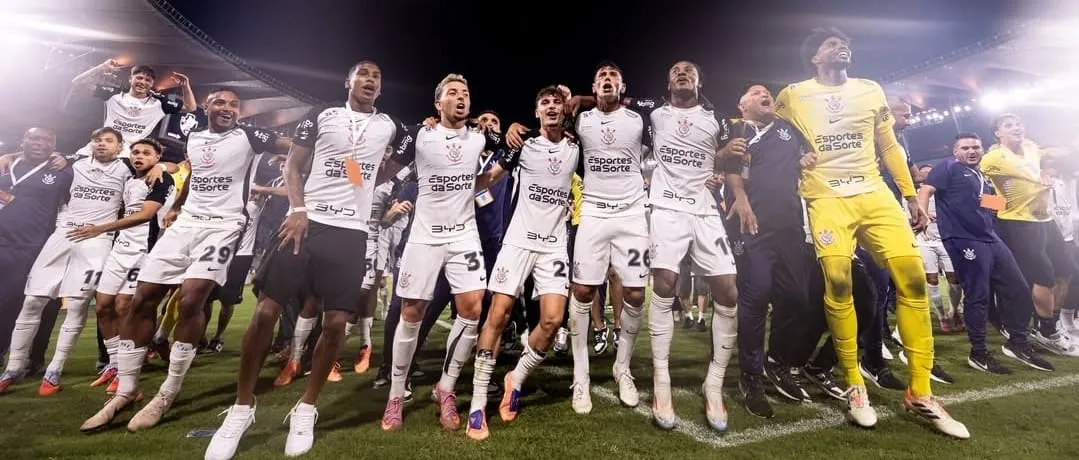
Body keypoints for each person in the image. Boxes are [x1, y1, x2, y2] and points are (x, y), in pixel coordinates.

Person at [203, 61, 407, 459]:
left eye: (377, 77)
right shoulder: (322, 114)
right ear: (348, 81)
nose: (370, 80)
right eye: (363, 74)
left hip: (351, 232)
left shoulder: (390, 127)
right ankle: (242, 409)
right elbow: (295, 164)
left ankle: (306, 407)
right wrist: (298, 209)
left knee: (336, 325)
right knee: (265, 312)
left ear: (381, 88)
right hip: (308, 221)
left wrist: (363, 183)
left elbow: (385, 170)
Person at [776, 27, 967, 437]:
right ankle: (854, 383)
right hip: (826, 198)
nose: (841, 46)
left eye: (844, 42)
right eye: (830, 44)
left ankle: (921, 391)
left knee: (913, 280)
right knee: (840, 282)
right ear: (815, 58)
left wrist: (911, 195)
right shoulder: (793, 94)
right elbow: (777, 140)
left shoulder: (870, 89)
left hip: (874, 194)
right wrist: (794, 159)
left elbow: (889, 145)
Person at [80, 88, 290, 433]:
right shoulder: (194, 137)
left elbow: (294, 147)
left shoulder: (250, 135)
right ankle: (129, 389)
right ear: (207, 107)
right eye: (220, 102)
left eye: (234, 105)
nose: (228, 108)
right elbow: (194, 174)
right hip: (186, 222)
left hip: (224, 226)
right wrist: (178, 203)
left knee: (193, 298)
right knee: (142, 298)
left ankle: (168, 391)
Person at [507, 62, 650, 413]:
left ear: (622, 85)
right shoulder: (580, 119)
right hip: (594, 213)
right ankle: (581, 379)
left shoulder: (639, 118)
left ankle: (622, 369)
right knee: (584, 290)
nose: (607, 80)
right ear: (593, 84)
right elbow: (544, 128)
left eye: (613, 77)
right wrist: (513, 127)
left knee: (634, 292)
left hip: (633, 214)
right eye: (601, 76)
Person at [380, 73, 502, 432]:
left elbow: (511, 147)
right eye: (453, 93)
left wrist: (484, 180)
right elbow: (383, 169)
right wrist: (353, 178)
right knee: (411, 312)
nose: (461, 97)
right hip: (424, 237)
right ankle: (396, 394)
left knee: (472, 308)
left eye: (465, 92)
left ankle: (445, 388)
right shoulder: (420, 134)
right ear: (438, 103)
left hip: (464, 236)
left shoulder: (479, 136)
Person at [465, 85, 578, 440]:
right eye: (544, 102)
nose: (551, 107)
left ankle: (516, 377)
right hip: (517, 243)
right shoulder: (522, 144)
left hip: (554, 246)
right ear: (536, 112)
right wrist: (460, 189)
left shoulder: (577, 147)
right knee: (497, 314)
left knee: (553, 319)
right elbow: (488, 178)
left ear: (564, 110)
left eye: (556, 103)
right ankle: (478, 401)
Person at [0, 127, 135, 395]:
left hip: (97, 240)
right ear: (91, 143)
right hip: (62, 235)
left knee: (76, 305)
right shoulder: (73, 164)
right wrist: (8, 154)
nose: (102, 144)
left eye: (109, 141)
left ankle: (54, 370)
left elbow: (160, 166)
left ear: (120, 147)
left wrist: (160, 168)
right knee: (32, 300)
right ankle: (13, 368)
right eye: (97, 139)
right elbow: (40, 152)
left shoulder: (127, 170)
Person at [919, 133, 1053, 374]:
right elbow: (926, 189)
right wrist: (921, 213)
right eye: (965, 148)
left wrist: (1036, 189)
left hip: (990, 238)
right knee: (978, 295)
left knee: (1019, 288)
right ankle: (978, 353)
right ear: (955, 152)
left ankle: (1018, 342)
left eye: (976, 147)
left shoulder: (981, 177)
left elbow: (998, 206)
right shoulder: (948, 168)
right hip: (963, 238)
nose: (971, 151)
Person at [721, 84, 812, 418]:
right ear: (742, 104)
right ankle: (751, 375)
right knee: (755, 297)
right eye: (756, 92)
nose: (765, 94)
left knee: (799, 298)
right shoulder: (735, 130)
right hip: (752, 227)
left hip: (789, 226)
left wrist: (806, 159)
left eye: (767, 92)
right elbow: (729, 170)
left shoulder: (789, 128)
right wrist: (741, 199)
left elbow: (805, 154)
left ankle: (777, 361)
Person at [981, 113, 1078, 356]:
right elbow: (984, 190)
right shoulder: (993, 158)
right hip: (1019, 223)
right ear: (997, 133)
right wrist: (1041, 179)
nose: (1016, 128)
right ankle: (1047, 331)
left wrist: (1068, 146)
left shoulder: (1030, 147)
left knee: (1065, 270)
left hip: (1046, 219)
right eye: (1008, 125)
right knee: (1043, 276)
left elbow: (1049, 154)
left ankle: (1050, 323)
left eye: (1018, 123)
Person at [88, 139, 176, 393]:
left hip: (143, 251)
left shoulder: (161, 179)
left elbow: (146, 215)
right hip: (120, 249)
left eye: (146, 153)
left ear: (157, 157)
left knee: (124, 306)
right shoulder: (130, 179)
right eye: (135, 152)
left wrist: (100, 229)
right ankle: (114, 364)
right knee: (103, 307)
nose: (139, 156)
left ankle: (129, 368)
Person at [0, 128, 73, 363]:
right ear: (23, 140)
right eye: (34, 138)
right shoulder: (5, 164)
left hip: (36, 246)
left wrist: (68, 157)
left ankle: (36, 356)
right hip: (4, 243)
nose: (40, 143)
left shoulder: (63, 171)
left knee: (41, 302)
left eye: (47, 140)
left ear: (54, 146)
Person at [70, 60, 194, 164]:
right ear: (130, 79)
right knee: (73, 163)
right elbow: (78, 82)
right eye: (139, 78)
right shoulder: (113, 94)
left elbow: (191, 107)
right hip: (101, 145)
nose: (142, 82)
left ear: (151, 84)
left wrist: (185, 86)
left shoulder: (159, 103)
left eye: (147, 80)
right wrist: (102, 67)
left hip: (127, 154)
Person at [916, 163, 964, 331]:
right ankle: (942, 316)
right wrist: (922, 217)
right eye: (923, 173)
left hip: (945, 240)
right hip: (924, 242)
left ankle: (954, 311)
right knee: (932, 279)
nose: (927, 175)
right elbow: (908, 217)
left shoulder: (946, 193)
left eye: (930, 173)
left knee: (954, 279)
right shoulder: (913, 196)